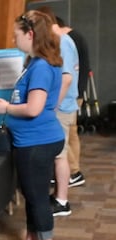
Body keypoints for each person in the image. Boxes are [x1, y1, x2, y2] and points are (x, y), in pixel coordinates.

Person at [0, 10, 65, 240]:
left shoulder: (42, 67)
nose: (14, 40)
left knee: (37, 197)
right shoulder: (37, 63)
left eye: (16, 35)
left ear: (30, 34)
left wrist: (6, 109)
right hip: (34, 141)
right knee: (31, 194)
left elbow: (34, 108)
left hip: (37, 142)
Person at [36, 8, 78, 217]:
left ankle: (62, 201)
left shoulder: (61, 41)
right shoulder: (62, 40)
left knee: (59, 156)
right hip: (63, 106)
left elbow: (67, 78)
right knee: (58, 155)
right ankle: (59, 197)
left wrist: (52, 105)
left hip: (61, 108)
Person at [56, 14, 90, 188]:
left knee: (67, 134)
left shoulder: (67, 41)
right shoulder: (76, 37)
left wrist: (77, 94)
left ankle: (74, 172)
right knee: (72, 133)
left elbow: (74, 72)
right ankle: (74, 170)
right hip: (76, 92)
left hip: (72, 94)